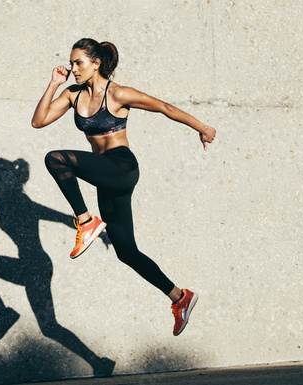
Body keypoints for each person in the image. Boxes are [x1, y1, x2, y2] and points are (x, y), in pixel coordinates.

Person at [30, 38, 216, 336]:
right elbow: (39, 122)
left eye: (78, 62)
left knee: (56, 159)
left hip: (121, 167)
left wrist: (203, 128)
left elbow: (164, 107)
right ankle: (180, 297)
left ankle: (85, 221)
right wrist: (53, 84)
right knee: (126, 251)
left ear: (96, 63)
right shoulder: (72, 95)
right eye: (71, 63)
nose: (73, 68)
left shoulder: (118, 94)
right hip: (104, 176)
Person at [0, 159, 115, 375]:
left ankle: (4, 313)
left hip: (35, 267)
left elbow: (62, 218)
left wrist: (98, 232)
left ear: (7, 180)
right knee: (49, 327)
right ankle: (98, 363)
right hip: (29, 266)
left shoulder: (19, 200)